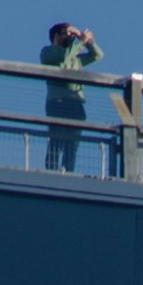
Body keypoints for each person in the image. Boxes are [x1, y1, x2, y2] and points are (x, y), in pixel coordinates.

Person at [39, 21, 103, 172]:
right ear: (56, 36)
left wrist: (86, 40)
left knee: (72, 144)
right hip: (58, 102)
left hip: (76, 103)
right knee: (57, 140)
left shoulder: (76, 58)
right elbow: (63, 58)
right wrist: (80, 41)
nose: (69, 37)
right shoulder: (48, 52)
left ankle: (68, 172)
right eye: (65, 34)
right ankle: (51, 172)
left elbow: (97, 55)